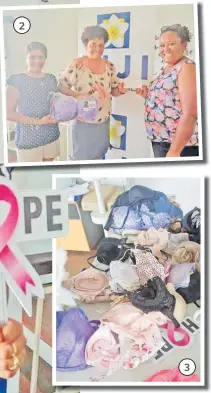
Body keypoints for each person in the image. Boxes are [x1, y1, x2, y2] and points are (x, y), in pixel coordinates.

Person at [59, 25, 128, 160]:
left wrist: (120, 90)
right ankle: (79, 182)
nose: (98, 49)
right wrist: (79, 95)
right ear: (86, 45)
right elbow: (61, 87)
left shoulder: (109, 66)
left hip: (103, 122)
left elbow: (113, 91)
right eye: (93, 44)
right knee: (80, 159)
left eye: (101, 45)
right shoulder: (78, 64)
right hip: (82, 122)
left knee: (98, 156)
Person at [136, 24, 198, 158]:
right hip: (161, 141)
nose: (165, 49)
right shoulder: (168, 68)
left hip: (179, 146)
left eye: (171, 44)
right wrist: (148, 94)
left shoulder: (186, 68)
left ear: (184, 44)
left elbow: (190, 114)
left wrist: (174, 151)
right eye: (162, 45)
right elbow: (170, 99)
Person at [6, 42, 59, 163]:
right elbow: (8, 113)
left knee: (48, 172)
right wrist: (39, 122)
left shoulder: (51, 78)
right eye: (32, 57)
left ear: (45, 58)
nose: (37, 61)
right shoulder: (16, 80)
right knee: (32, 175)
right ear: (26, 58)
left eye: (41, 57)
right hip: (28, 138)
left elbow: (55, 103)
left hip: (51, 134)